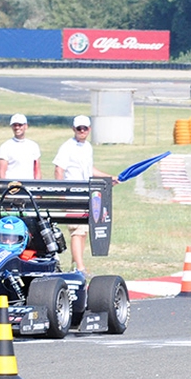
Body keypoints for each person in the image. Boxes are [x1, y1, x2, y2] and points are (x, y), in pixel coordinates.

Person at [52, 115, 119, 273]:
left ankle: (77, 265)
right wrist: (62, 194)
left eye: (85, 128)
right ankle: (80, 267)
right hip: (72, 195)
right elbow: (58, 170)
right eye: (79, 128)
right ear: (73, 129)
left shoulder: (87, 146)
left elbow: (90, 170)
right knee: (77, 230)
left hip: (86, 195)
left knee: (83, 231)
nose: (82, 131)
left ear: (89, 129)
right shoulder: (67, 147)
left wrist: (108, 178)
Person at [0, 114, 41, 180]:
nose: (17, 128)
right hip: (12, 186)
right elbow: (2, 173)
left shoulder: (33, 146)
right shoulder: (5, 147)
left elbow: (37, 170)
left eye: (20, 125)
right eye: (15, 125)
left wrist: (37, 185)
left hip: (29, 185)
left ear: (26, 126)